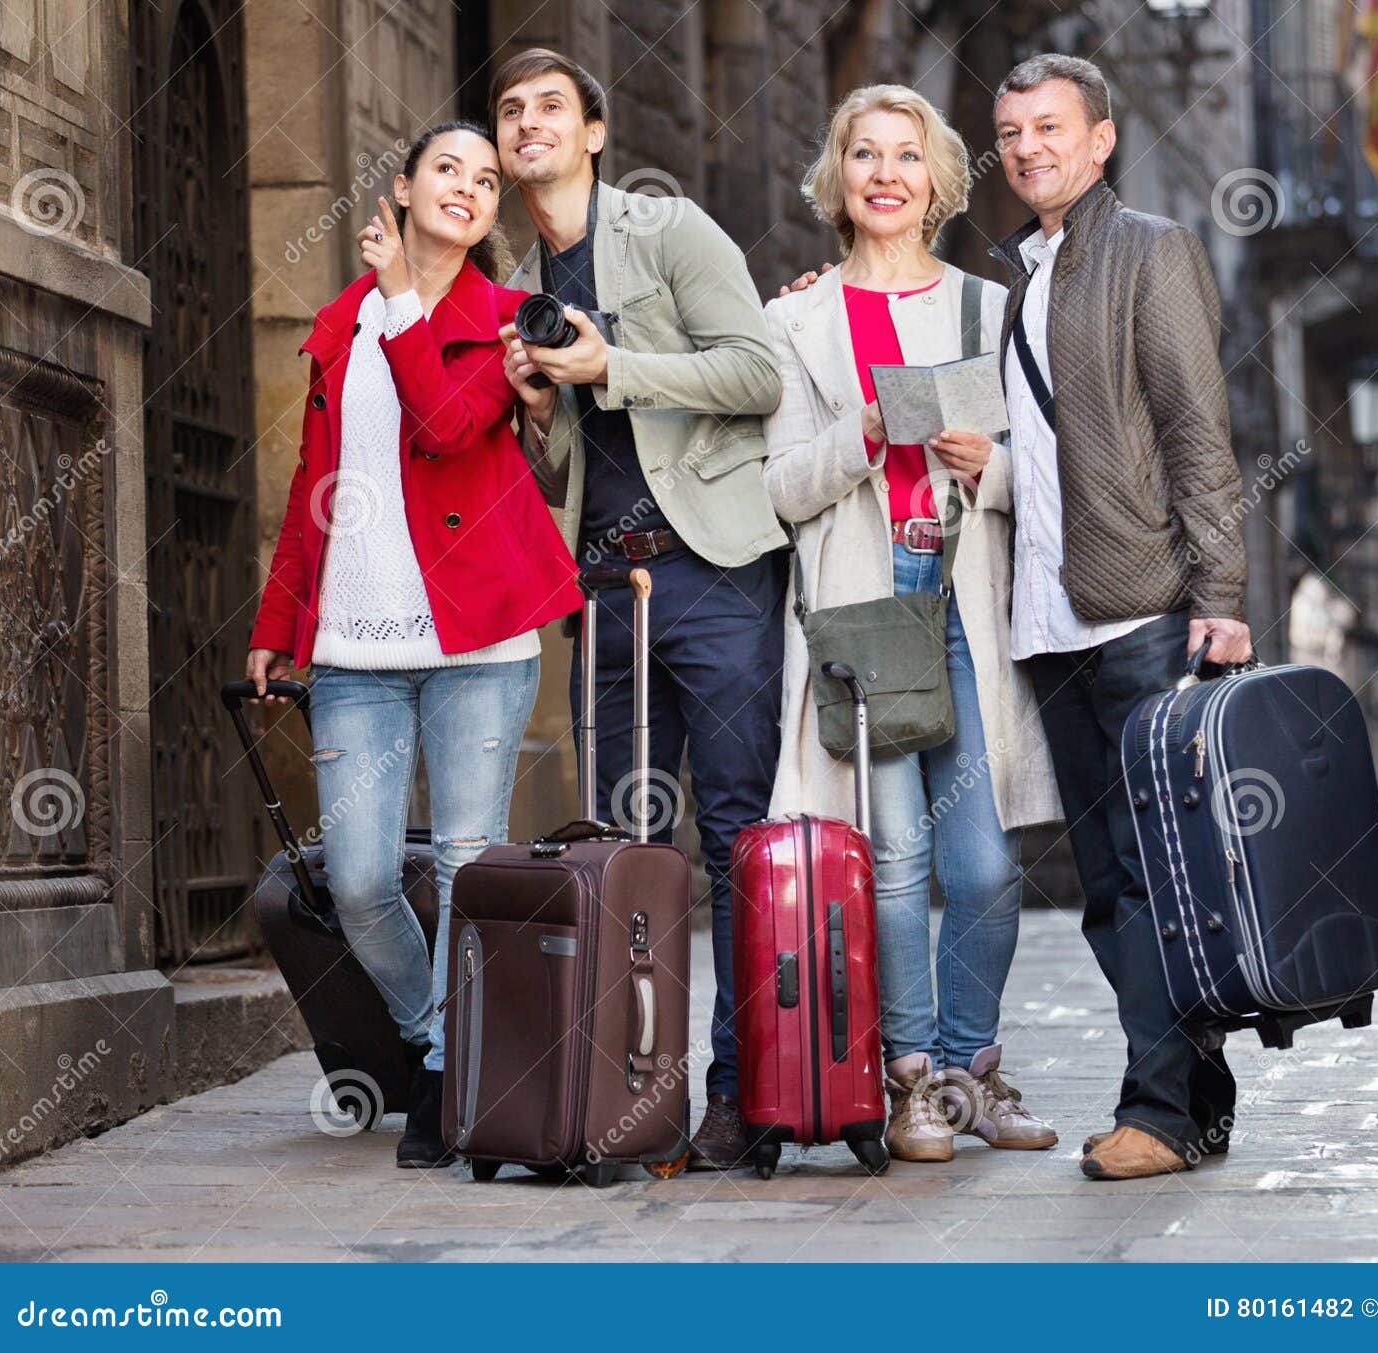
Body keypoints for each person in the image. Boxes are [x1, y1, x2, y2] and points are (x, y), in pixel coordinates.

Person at [245, 121, 581, 1169]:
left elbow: (442, 424)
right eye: (450, 169)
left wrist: (399, 301)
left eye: (488, 180)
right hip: (354, 642)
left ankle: (448, 1081)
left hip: (479, 639)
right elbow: (312, 491)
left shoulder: (501, 323)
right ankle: (437, 1038)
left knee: (470, 865)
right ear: (401, 187)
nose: (471, 188)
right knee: (355, 880)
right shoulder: (337, 324)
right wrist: (275, 625)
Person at [490, 49, 787, 1169]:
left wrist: (616, 367)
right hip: (608, 593)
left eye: (550, 109)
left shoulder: (670, 234)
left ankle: (739, 1099)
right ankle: (627, 1095)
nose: (528, 125)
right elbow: (558, 471)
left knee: (733, 836)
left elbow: (756, 374)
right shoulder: (520, 281)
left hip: (711, 573)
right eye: (511, 112)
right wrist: (533, 408)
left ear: (594, 132)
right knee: (621, 846)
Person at [762, 85, 1063, 1164]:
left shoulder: (993, 310)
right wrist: (864, 431)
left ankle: (973, 1070)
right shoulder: (793, 321)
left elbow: (1059, 471)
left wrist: (995, 469)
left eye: (905, 156)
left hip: (963, 607)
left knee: (982, 867)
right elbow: (781, 489)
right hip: (862, 615)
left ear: (937, 179)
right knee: (894, 859)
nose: (885, 174)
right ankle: (912, 1086)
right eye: (863, 155)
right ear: (836, 180)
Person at [989, 54, 1252, 1180]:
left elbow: (1195, 430)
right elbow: (1052, 450)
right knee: (1106, 886)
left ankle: (1158, 1109)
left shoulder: (1150, 250)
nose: (1028, 149)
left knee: (1152, 874)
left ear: (1099, 139)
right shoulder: (1021, 278)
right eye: (1010, 134)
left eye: (1049, 128)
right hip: (1049, 615)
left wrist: (1221, 599)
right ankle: (1194, 1096)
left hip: (1137, 606)